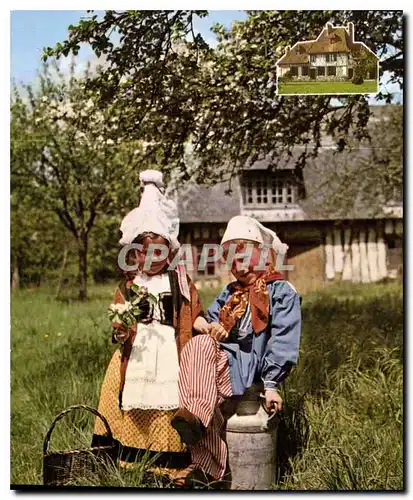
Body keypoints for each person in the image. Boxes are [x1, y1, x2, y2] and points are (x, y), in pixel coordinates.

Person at [170, 215, 302, 487]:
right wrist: (212, 329)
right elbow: (213, 323)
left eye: (245, 258)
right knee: (198, 345)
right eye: (233, 261)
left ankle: (207, 464)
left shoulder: (280, 292)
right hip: (227, 367)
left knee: (208, 394)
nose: (240, 268)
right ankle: (197, 433)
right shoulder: (229, 293)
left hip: (252, 370)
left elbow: (283, 340)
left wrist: (272, 384)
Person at [91, 170, 206, 476]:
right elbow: (119, 315)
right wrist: (120, 327)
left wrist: (203, 326)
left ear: (169, 252)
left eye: (158, 251)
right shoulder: (129, 285)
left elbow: (192, 312)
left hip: (169, 350)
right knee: (128, 395)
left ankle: (170, 464)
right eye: (143, 252)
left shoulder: (178, 282)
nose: (150, 258)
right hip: (138, 350)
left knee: (168, 400)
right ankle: (131, 459)